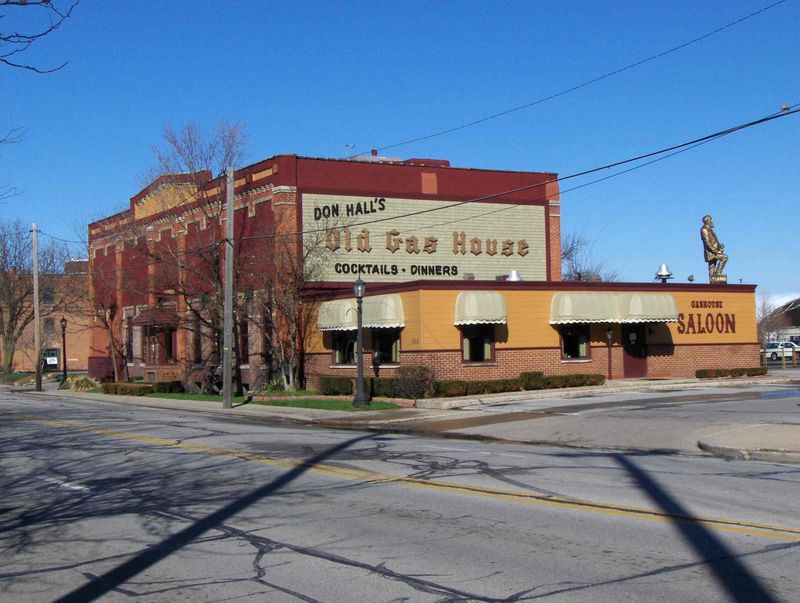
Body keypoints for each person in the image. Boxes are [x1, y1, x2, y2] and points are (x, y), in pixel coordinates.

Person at [700, 215, 728, 280]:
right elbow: (707, 243)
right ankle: (718, 273)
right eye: (711, 220)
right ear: (707, 221)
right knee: (724, 257)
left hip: (713, 251)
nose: (712, 221)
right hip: (711, 252)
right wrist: (716, 251)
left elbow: (713, 241)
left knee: (712, 266)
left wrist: (719, 246)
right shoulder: (704, 229)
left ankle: (712, 279)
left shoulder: (709, 229)